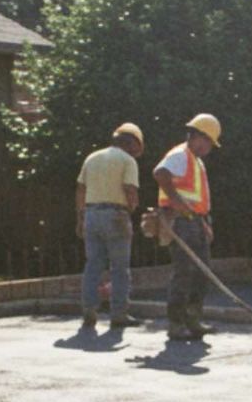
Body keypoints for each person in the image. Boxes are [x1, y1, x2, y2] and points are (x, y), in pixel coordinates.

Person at [153, 113, 222, 342]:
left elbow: (196, 199)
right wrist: (175, 201)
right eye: (209, 141)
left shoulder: (195, 160)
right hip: (181, 222)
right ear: (197, 136)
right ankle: (176, 323)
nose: (209, 147)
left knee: (201, 273)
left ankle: (192, 320)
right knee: (184, 273)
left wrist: (203, 223)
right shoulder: (179, 155)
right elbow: (160, 173)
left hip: (195, 222)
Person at [76, 122, 144, 327]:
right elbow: (130, 189)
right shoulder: (127, 160)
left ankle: (89, 310)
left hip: (91, 214)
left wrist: (80, 217)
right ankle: (119, 314)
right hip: (116, 214)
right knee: (119, 268)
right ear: (132, 143)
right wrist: (132, 208)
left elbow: (80, 188)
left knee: (93, 265)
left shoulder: (92, 157)